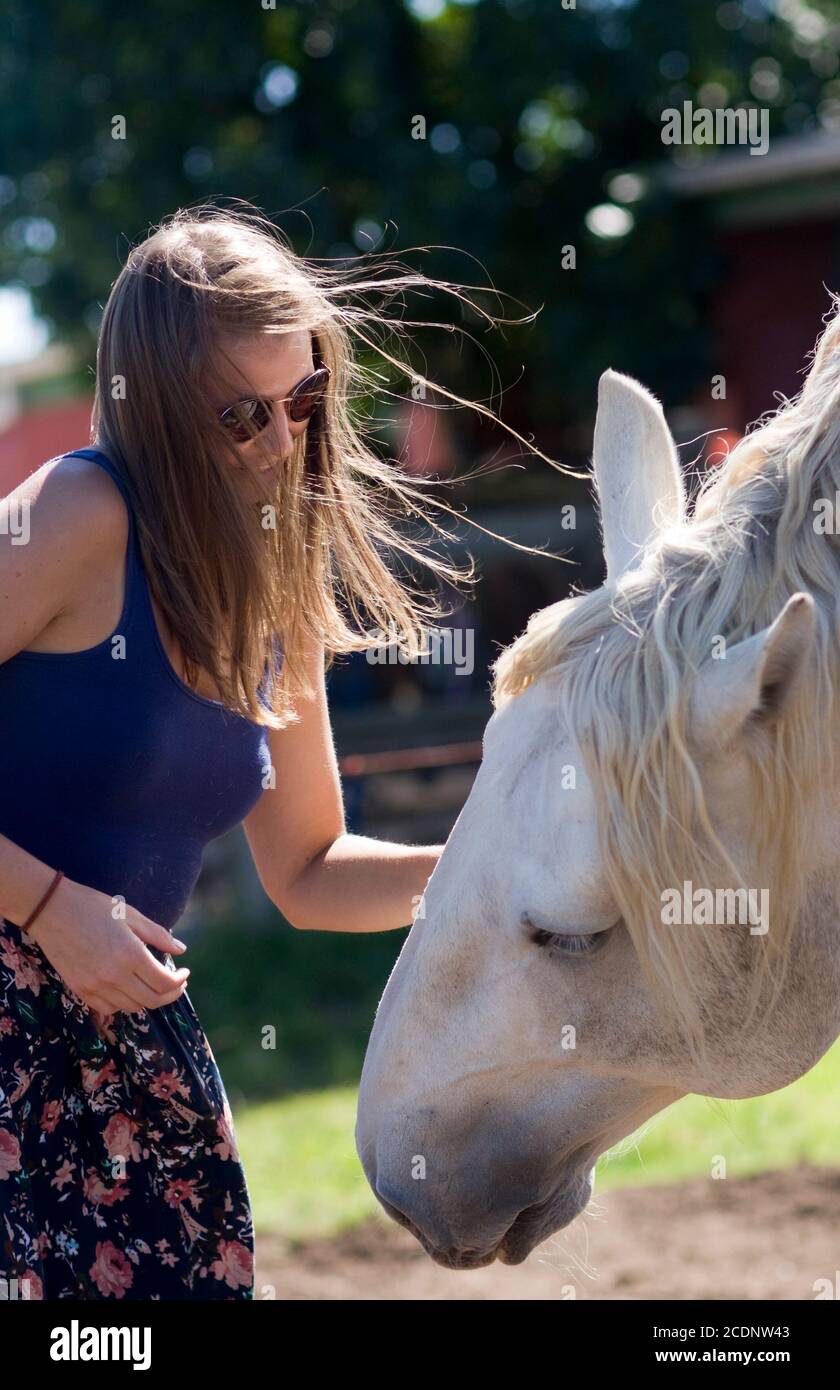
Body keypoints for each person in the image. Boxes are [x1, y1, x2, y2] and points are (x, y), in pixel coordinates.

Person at [0, 204, 547, 1300]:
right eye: (241, 415)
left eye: (303, 401)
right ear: (151, 409)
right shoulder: (76, 509)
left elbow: (307, 869)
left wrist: (499, 873)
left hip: (124, 1052)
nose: (282, 443)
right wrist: (49, 902)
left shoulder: (280, 584)